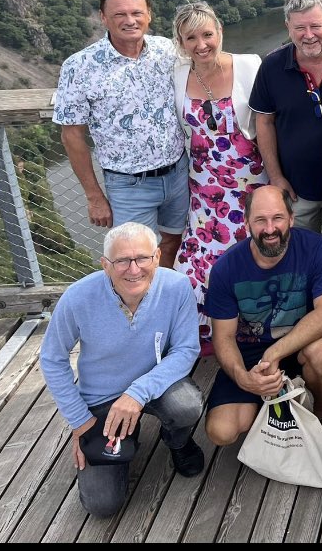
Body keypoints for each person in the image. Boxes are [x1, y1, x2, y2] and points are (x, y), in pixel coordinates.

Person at [39, 221, 205, 518]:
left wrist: (137, 393)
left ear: (156, 257)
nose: (133, 269)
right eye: (122, 261)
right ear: (105, 264)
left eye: (142, 258)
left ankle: (177, 441)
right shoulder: (77, 297)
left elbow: (186, 350)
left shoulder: (177, 287)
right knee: (102, 505)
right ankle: (123, 438)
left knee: (187, 406)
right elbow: (52, 358)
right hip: (101, 398)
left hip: (153, 386)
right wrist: (80, 422)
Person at [54, 0, 187, 263]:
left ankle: (163, 298)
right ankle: (140, 305)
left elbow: (209, 65)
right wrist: (94, 196)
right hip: (128, 186)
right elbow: (71, 136)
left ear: (149, 15)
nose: (130, 21)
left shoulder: (168, 51)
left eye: (137, 13)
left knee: (176, 239)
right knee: (134, 258)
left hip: (178, 175)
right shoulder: (79, 67)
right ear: (103, 18)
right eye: (119, 15)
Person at [204, 185, 322, 446]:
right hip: (250, 353)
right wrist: (243, 378)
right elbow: (223, 338)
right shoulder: (226, 268)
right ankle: (270, 402)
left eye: (277, 218)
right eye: (260, 220)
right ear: (246, 222)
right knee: (221, 432)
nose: (270, 229)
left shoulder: (319, 249)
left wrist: (274, 353)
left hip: (300, 343)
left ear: (291, 218)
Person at [171, 0, 267, 352]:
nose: (201, 45)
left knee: (249, 253)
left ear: (220, 32)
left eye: (207, 34)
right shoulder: (178, 75)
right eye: (190, 38)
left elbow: (269, 121)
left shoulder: (249, 66)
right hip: (205, 187)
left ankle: (252, 331)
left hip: (251, 182)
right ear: (180, 43)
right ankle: (207, 335)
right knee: (198, 260)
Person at [250, 0, 322, 234]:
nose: (308, 36)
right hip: (296, 191)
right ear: (288, 27)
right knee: (300, 256)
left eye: (315, 26)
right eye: (299, 28)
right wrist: (276, 178)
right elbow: (264, 123)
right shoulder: (272, 66)